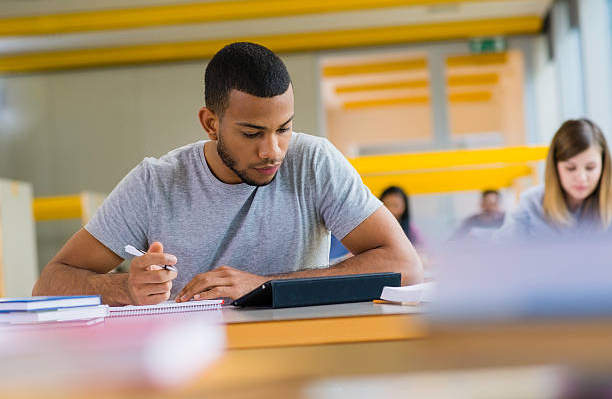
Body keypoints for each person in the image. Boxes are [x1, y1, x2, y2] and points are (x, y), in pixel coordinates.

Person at [32, 42, 423, 306]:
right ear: (210, 123)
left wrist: (264, 286)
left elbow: (405, 267)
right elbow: (49, 284)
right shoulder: (155, 182)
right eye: (252, 133)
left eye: (283, 129)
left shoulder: (314, 161)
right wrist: (126, 287)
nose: (272, 151)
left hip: (299, 353)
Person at [495, 118, 612, 240]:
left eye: (590, 168)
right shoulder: (531, 205)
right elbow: (499, 251)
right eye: (570, 168)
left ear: (604, 166)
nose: (582, 178)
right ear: (555, 167)